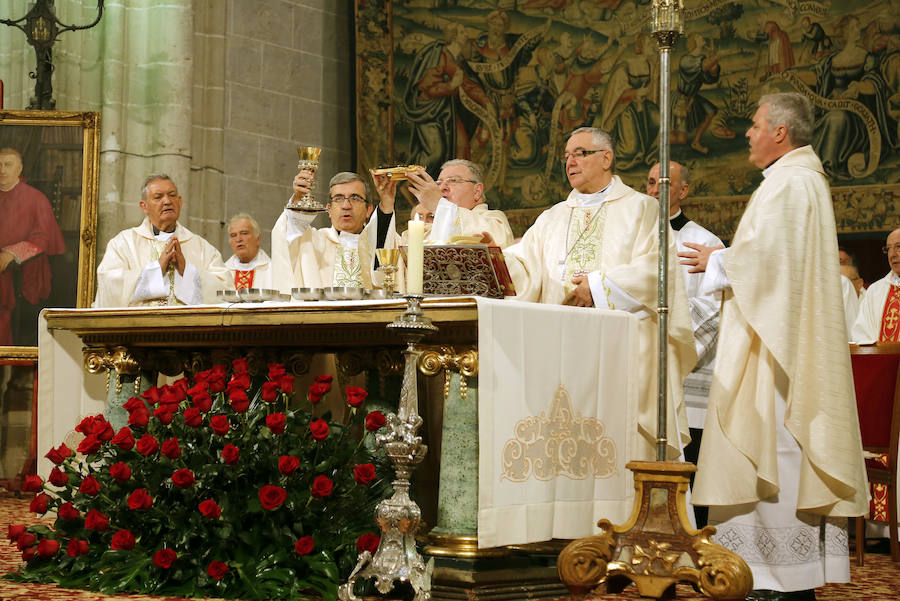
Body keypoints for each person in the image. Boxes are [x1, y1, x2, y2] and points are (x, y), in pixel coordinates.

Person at [683, 93, 868, 600]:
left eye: (756, 124)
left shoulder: (792, 182)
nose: (747, 132)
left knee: (777, 445)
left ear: (781, 132)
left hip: (779, 353)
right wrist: (727, 259)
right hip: (773, 335)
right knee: (771, 447)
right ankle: (766, 572)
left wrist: (719, 261)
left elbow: (771, 261)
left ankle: (776, 576)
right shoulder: (794, 180)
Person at [503, 127, 697, 462]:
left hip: (622, 355)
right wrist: (491, 257)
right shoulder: (551, 218)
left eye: (579, 153)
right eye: (566, 156)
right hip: (559, 352)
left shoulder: (641, 209)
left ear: (606, 158)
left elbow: (659, 270)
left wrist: (596, 287)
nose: (570, 162)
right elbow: (523, 264)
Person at [647, 160, 722, 527]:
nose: (654, 190)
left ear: (683, 190)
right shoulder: (632, 236)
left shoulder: (705, 243)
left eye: (663, 183)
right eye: (649, 183)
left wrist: (667, 346)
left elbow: (712, 311)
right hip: (640, 367)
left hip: (685, 373)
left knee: (689, 467)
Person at [93, 175, 229, 307]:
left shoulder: (201, 247)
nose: (167, 201)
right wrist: (156, 270)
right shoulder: (123, 243)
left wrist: (186, 270)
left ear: (180, 202)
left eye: (172, 195)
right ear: (144, 206)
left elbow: (225, 290)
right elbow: (108, 283)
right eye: (158, 197)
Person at [270, 171, 394, 292]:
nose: (346, 205)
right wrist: (298, 200)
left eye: (355, 198)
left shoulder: (378, 243)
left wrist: (387, 203)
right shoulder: (313, 243)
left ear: (368, 210)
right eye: (338, 198)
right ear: (329, 210)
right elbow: (286, 236)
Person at [0, 147, 66, 346]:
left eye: (7, 165)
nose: (2, 170)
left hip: (22, 274)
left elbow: (44, 237)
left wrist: (11, 254)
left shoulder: (36, 198)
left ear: (19, 169)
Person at [397, 159, 514, 247]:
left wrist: (440, 205)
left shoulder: (494, 222)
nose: (442, 188)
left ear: (477, 191)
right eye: (439, 183)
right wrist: (386, 207)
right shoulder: (428, 229)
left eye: (453, 180)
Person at [851, 228, 900, 342]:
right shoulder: (875, 290)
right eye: (888, 249)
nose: (892, 254)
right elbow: (861, 333)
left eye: (899, 247)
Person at [225, 214, 272, 290]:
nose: (238, 239)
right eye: (233, 235)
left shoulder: (272, 271)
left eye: (244, 233)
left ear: (258, 239)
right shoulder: (224, 272)